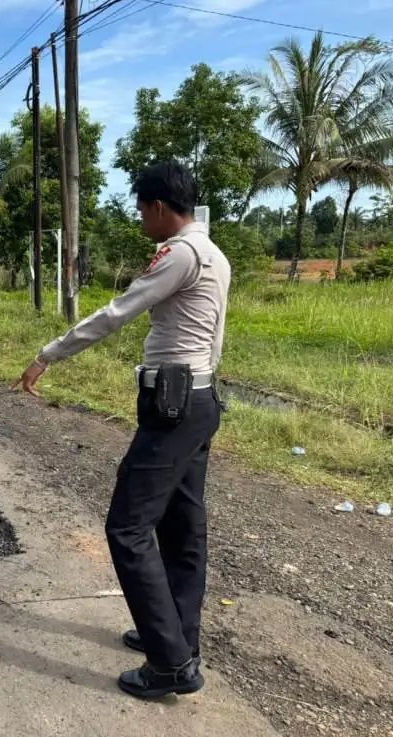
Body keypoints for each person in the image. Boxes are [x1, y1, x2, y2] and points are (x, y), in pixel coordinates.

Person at [12, 160, 231, 700]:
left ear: (159, 206)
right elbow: (214, 335)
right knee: (183, 529)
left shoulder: (179, 253)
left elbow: (117, 312)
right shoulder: (214, 252)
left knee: (127, 528)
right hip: (198, 397)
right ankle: (176, 636)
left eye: (140, 209)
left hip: (172, 405)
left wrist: (48, 354)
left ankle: (171, 665)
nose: (140, 219)